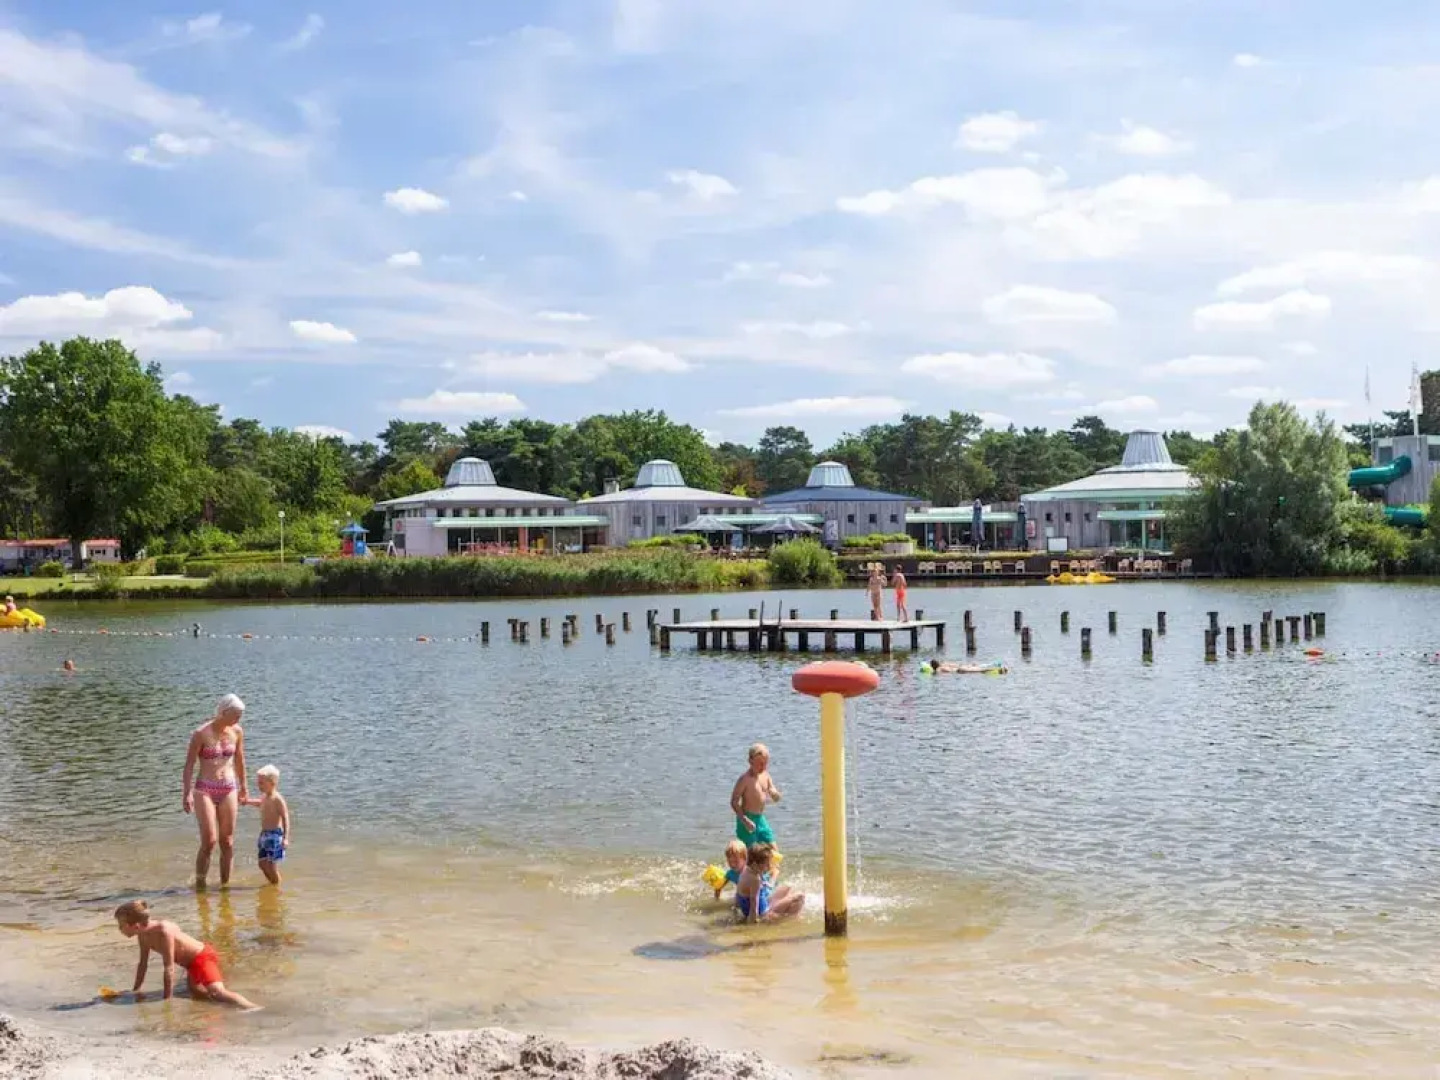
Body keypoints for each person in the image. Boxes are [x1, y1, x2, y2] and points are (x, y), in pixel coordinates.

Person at [113, 899, 259, 1009]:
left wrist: (167, 1001)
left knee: (217, 992)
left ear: (135, 926)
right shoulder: (142, 935)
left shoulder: (164, 930)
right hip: (190, 964)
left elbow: (169, 968)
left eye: (121, 926)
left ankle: (252, 1008)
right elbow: (143, 964)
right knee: (196, 994)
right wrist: (136, 990)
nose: (120, 929)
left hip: (202, 957)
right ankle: (215, 1011)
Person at [183, 694, 249, 887]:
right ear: (223, 712)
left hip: (229, 787)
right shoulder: (201, 733)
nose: (238, 719)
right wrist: (187, 793)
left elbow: (239, 760)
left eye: (240, 715)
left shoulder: (237, 731)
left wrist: (244, 786)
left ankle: (224, 887)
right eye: (236, 715)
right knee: (209, 841)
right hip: (205, 789)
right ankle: (200, 884)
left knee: (227, 841)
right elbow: (189, 765)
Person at [243, 764, 290, 885]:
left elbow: (285, 817)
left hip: (274, 835)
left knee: (271, 865)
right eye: (258, 782)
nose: (259, 786)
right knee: (262, 864)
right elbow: (260, 803)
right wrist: (247, 801)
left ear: (272, 783)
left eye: (261, 783)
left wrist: (285, 838)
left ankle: (276, 885)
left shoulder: (277, 799)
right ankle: (272, 883)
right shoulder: (265, 796)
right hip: (264, 834)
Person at [735, 844, 805, 923]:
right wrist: (753, 923)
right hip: (766, 915)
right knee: (800, 896)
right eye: (766, 864)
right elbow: (754, 903)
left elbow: (738, 894)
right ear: (755, 864)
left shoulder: (747, 869)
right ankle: (792, 921)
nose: (769, 867)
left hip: (766, 903)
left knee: (788, 887)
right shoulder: (755, 880)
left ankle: (790, 915)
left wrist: (736, 907)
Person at [731, 742, 782, 848]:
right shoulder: (744, 779)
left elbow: (773, 791)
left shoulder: (766, 775)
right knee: (752, 852)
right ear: (750, 761)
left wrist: (775, 795)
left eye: (765, 763)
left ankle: (772, 865)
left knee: (773, 847)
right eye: (760, 763)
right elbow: (734, 802)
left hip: (760, 818)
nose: (763, 766)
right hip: (746, 819)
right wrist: (745, 820)